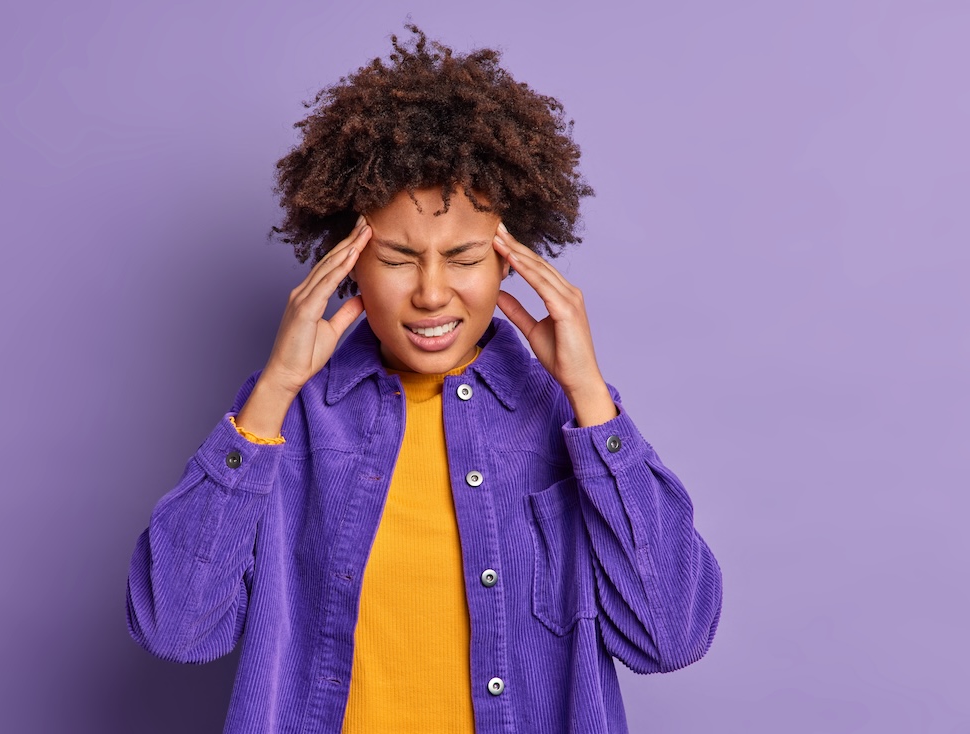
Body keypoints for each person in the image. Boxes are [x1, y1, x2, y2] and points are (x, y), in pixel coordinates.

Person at [125, 23, 723, 734]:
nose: (432, 293)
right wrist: (275, 389)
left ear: (509, 261)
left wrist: (589, 397)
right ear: (349, 260)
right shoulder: (285, 420)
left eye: (464, 258)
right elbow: (176, 627)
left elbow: (671, 637)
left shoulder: (566, 419)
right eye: (398, 259)